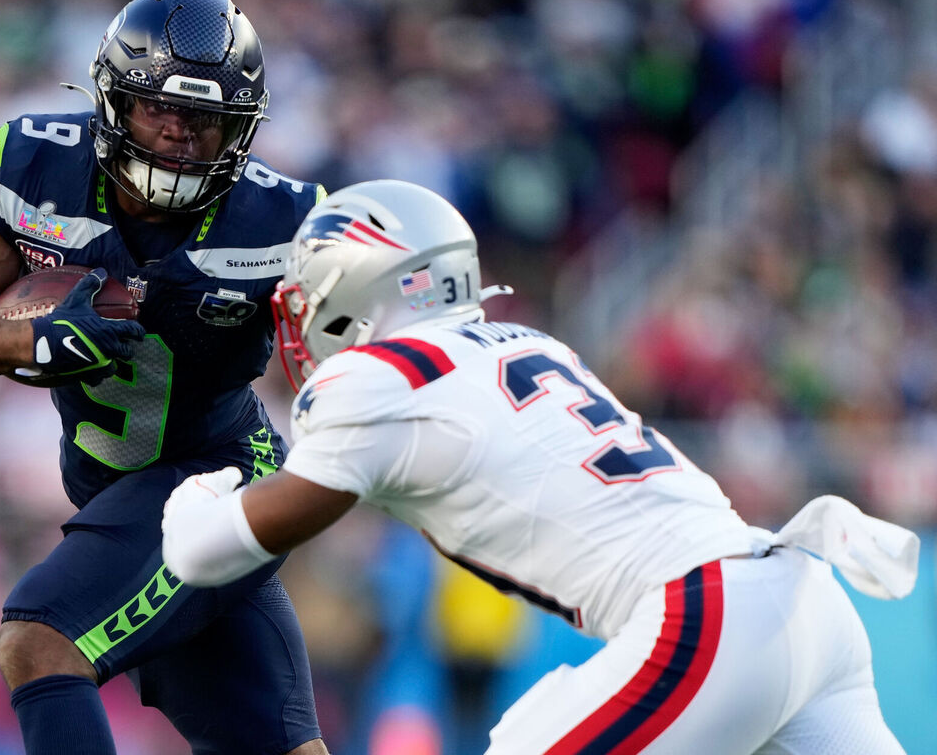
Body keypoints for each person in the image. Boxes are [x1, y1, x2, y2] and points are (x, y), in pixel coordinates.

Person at [161, 179, 920, 754]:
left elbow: (209, 552)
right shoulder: (529, 343)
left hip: (708, 617)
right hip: (801, 595)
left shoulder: (379, 377)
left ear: (353, 285)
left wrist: (193, 499)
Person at [0, 0, 330, 755]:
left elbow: (352, 360)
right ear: (112, 102)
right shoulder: (38, 169)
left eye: (205, 119)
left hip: (222, 475)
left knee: (40, 639)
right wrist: (34, 341)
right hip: (118, 491)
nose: (180, 137)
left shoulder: (282, 224)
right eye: (161, 109)